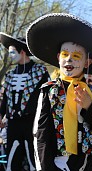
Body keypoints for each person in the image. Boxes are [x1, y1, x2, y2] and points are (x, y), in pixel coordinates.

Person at [27, 13, 92, 171]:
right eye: (65, 55)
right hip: (56, 163)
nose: (69, 60)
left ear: (87, 62)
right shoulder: (49, 90)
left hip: (85, 163)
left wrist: (89, 107)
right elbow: (40, 135)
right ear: (58, 57)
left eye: (76, 56)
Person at [0, 33, 50, 170]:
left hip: (32, 123)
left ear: (22, 51)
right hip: (13, 123)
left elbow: (47, 97)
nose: (10, 55)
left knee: (34, 160)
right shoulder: (10, 75)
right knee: (11, 160)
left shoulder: (40, 71)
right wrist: (0, 115)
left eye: (12, 52)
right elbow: (4, 99)